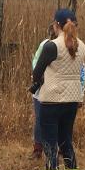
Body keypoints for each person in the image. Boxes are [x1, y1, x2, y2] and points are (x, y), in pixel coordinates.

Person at [31, 8, 85, 170]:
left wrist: (36, 84)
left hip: (51, 101)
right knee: (66, 143)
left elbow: (37, 72)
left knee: (50, 147)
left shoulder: (50, 46)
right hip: (71, 101)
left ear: (57, 25)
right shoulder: (82, 46)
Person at [30, 25, 56, 159]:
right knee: (40, 119)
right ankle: (38, 148)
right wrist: (38, 77)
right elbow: (36, 62)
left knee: (58, 121)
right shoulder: (44, 45)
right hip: (41, 89)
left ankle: (59, 149)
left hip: (58, 91)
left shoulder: (70, 46)